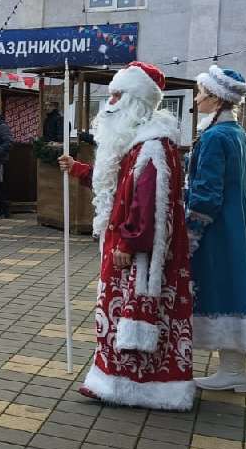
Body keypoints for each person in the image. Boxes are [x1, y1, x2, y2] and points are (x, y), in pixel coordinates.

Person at [58, 61, 194, 410]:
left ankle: (132, 385)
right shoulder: (136, 143)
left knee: (132, 317)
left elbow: (147, 203)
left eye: (118, 95)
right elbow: (120, 185)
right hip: (128, 246)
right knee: (117, 316)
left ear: (136, 100)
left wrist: (129, 242)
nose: (110, 103)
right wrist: (79, 170)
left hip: (138, 253)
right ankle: (116, 381)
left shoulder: (152, 146)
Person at [187, 66, 246, 392]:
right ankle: (233, 369)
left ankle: (233, 372)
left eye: (201, 92)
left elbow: (206, 194)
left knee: (221, 289)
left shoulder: (214, 137)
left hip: (217, 229)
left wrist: (190, 233)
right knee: (237, 286)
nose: (197, 99)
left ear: (216, 98)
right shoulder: (236, 133)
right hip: (237, 223)